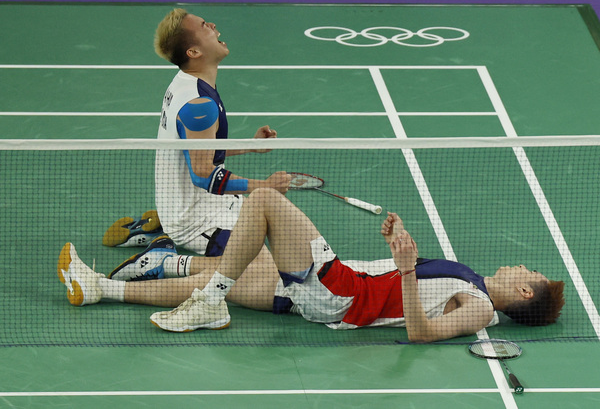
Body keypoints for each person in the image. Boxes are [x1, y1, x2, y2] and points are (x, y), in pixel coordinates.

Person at [58, 189, 565, 343]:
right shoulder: (471, 280)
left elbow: (421, 333)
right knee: (234, 270)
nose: (522, 265)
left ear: (524, 294)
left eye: (531, 274)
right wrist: (396, 251)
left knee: (265, 201)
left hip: (343, 294)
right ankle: (100, 287)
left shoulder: (478, 309)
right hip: (339, 291)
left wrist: (406, 268)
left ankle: (193, 288)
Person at [102, 8, 291, 257]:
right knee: (258, 270)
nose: (213, 25)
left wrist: (250, 145)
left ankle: (157, 229)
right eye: (204, 26)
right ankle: (161, 261)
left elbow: (199, 149)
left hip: (197, 203)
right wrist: (264, 186)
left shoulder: (186, 82)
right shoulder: (199, 105)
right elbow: (203, 175)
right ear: (194, 52)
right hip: (196, 222)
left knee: (281, 224)